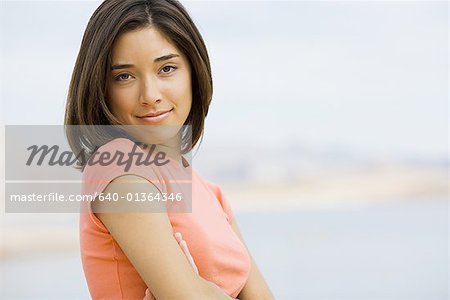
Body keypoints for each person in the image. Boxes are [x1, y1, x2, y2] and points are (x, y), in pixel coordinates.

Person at [64, 0, 274, 299]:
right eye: (124, 76)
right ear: (101, 87)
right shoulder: (118, 168)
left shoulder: (210, 193)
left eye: (166, 68)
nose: (150, 95)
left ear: (193, 71)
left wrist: (202, 289)